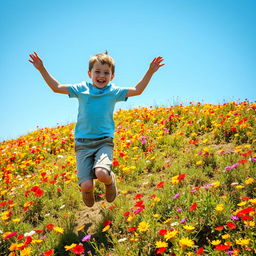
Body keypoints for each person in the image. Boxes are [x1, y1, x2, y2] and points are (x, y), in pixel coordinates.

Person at [29, 51, 164, 207]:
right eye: (97, 71)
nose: (102, 75)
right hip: (82, 144)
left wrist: (150, 71)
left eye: (106, 72)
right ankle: (88, 191)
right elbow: (56, 87)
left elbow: (137, 90)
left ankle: (110, 180)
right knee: (86, 185)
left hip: (104, 141)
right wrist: (41, 68)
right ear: (89, 73)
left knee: (101, 173)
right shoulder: (81, 89)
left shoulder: (113, 91)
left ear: (112, 76)